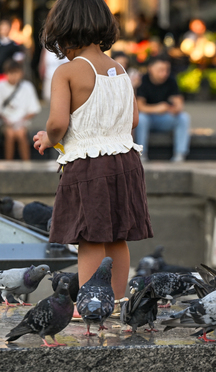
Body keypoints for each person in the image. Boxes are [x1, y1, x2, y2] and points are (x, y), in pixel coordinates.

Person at [32, 0, 153, 300]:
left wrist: (48, 138)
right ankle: (115, 299)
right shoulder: (120, 68)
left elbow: (58, 123)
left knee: (89, 238)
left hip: (89, 166)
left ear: (63, 31)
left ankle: (90, 302)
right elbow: (134, 119)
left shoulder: (68, 72)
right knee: (117, 236)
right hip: (126, 162)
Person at [134, 55, 191, 162]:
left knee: (183, 117)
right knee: (141, 118)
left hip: (165, 118)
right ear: (150, 68)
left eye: (166, 70)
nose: (164, 73)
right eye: (160, 70)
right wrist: (158, 108)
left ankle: (180, 154)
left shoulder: (171, 80)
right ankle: (142, 154)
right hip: (148, 119)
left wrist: (177, 107)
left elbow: (178, 101)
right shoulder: (143, 81)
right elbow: (139, 106)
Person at [0, 59, 41, 160]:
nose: (14, 76)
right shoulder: (1, 86)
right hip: (5, 123)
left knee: (21, 134)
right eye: (11, 72)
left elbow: (34, 109)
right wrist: (6, 120)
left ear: (21, 73)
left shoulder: (27, 86)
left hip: (23, 123)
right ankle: (8, 166)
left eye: (16, 72)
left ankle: (26, 164)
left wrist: (21, 120)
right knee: (10, 134)